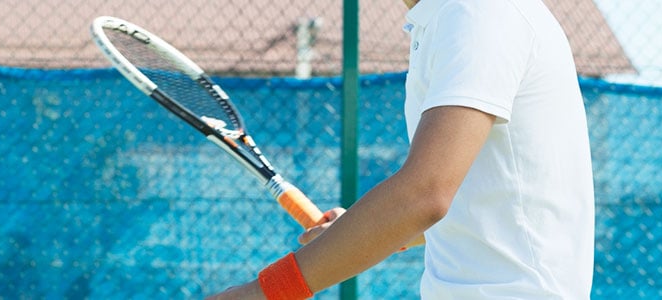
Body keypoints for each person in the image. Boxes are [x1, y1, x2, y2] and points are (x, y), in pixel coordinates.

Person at [207, 0, 595, 298]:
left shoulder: (479, 14)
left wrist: (265, 292)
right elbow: (489, 203)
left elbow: (425, 194)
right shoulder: (446, 19)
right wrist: (368, 228)